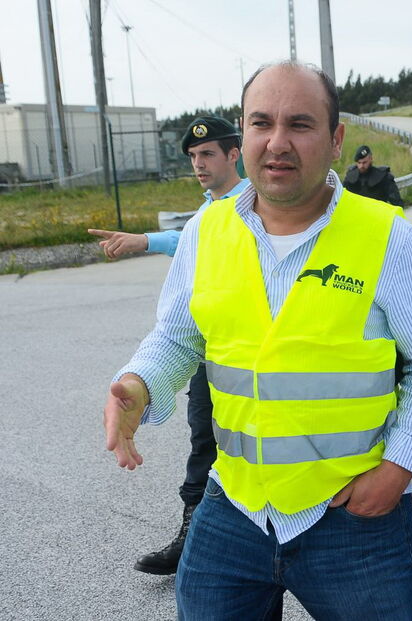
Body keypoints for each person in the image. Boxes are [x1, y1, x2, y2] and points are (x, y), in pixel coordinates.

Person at [102, 61, 412, 620]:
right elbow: (176, 337)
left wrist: (399, 467)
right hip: (234, 505)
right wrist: (138, 383)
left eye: (300, 124)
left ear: (335, 139)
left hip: (351, 512)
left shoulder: (386, 236)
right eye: (261, 123)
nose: (277, 142)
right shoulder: (205, 232)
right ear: (242, 135)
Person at [89, 115, 250, 575]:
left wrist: (144, 239)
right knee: (204, 441)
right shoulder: (208, 211)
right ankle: (193, 538)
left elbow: (195, 239)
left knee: (244, 444)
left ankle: (241, 541)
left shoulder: (253, 204)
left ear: (234, 154)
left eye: (208, 154)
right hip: (206, 349)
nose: (198, 164)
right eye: (193, 156)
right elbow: (193, 240)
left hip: (249, 354)